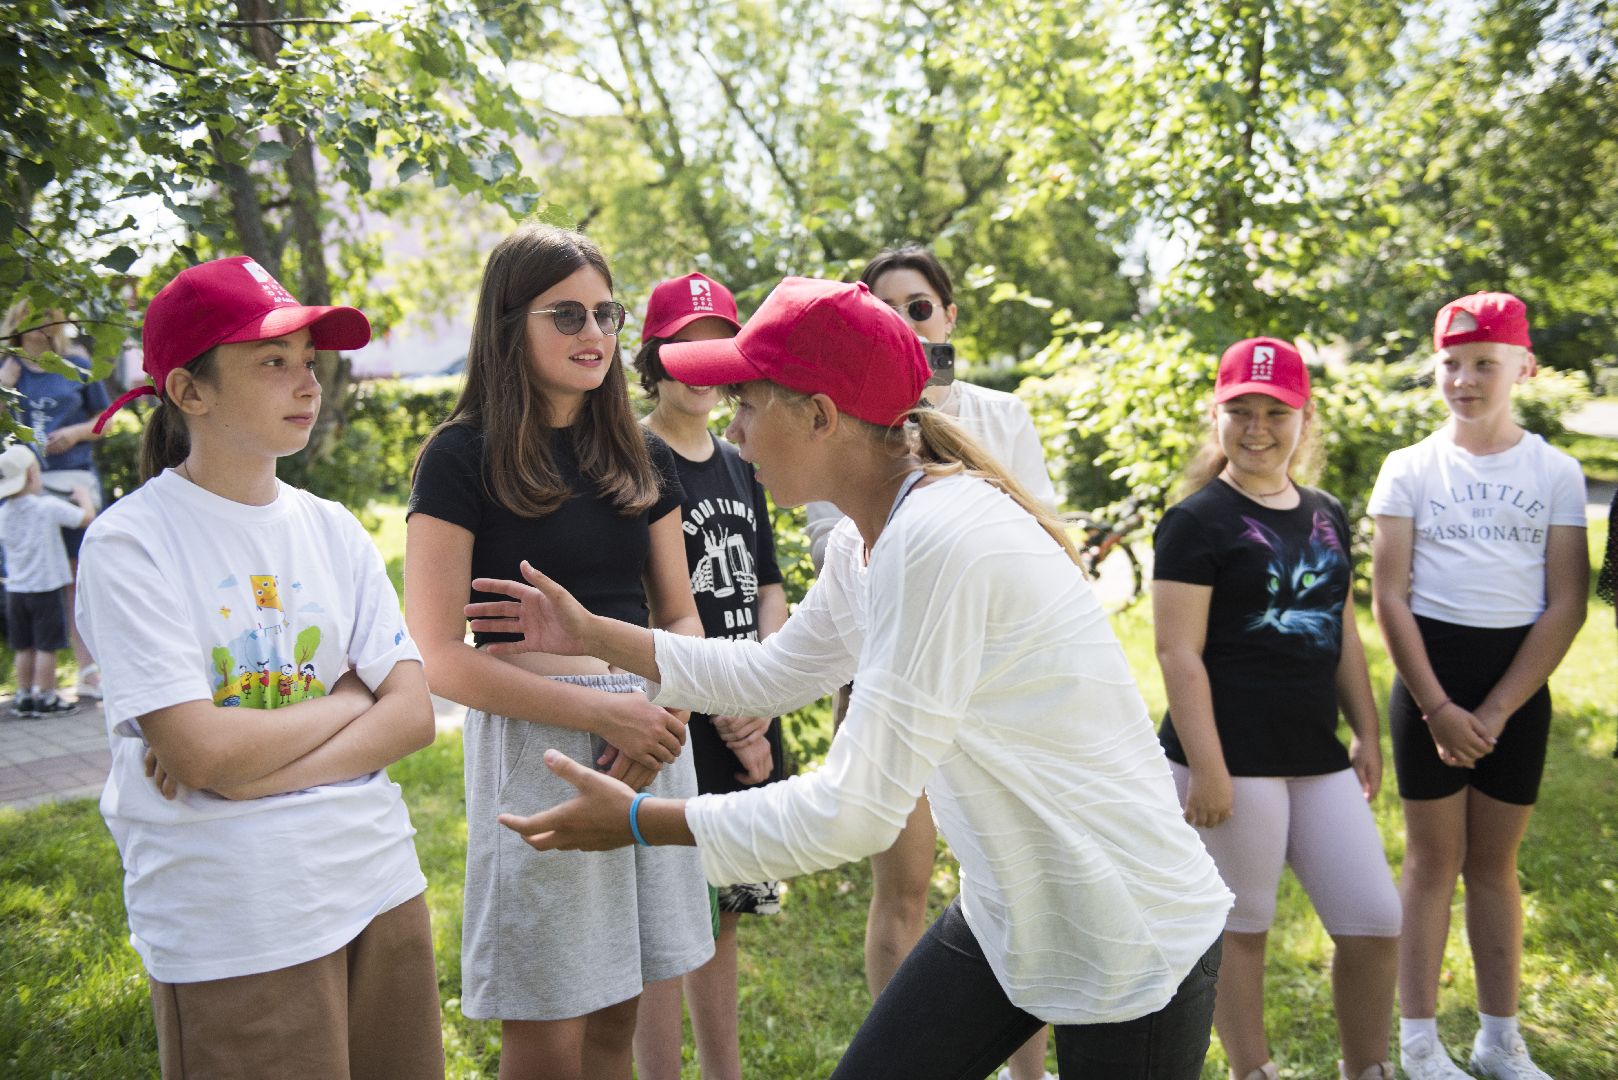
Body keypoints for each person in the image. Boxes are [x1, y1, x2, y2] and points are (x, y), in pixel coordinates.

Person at [474, 276, 1233, 1080]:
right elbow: (771, 672)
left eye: (749, 405)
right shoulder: (867, 540)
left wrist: (640, 824)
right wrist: (596, 636)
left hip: (1127, 926)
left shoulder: (939, 539)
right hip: (1016, 912)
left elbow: (854, 811)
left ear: (821, 416)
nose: (735, 434)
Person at [73, 256, 444, 1078]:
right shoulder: (132, 543)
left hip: (379, 885)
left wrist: (252, 771)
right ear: (188, 392)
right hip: (239, 917)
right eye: (272, 362)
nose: (306, 383)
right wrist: (351, 696)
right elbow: (202, 754)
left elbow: (414, 713)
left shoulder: (334, 527)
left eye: (307, 362)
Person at [405, 224, 712, 1080]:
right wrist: (604, 711)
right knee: (547, 1026)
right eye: (566, 314)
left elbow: (681, 619)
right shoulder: (460, 455)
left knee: (620, 1014)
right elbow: (436, 653)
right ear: (510, 325)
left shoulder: (640, 453)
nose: (595, 335)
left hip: (653, 743)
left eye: (606, 314)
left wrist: (663, 718)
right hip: (542, 743)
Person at [808, 242, 1063, 1080]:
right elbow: (838, 551)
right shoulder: (841, 421)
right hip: (895, 676)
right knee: (905, 890)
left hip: (996, 693)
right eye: (886, 312)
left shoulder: (1001, 417)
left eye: (920, 307)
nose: (908, 323)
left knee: (1015, 889)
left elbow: (1043, 544)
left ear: (949, 315)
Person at [1152, 338, 1400, 1080]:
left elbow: (1341, 628)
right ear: (1217, 414)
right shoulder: (1195, 522)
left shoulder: (1324, 513)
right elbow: (1177, 654)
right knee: (1244, 928)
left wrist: (1367, 729)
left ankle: (1368, 1069)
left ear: (1303, 418)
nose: (1257, 428)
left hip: (1313, 751)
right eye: (1241, 411)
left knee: (1375, 920)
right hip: (1230, 757)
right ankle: (1251, 1071)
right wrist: (1208, 767)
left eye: (1275, 412)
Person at [1369, 292, 1587, 1080]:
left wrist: (1495, 709)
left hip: (1514, 691)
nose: (1465, 379)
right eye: (1451, 364)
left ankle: (1500, 1039)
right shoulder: (1410, 468)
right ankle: (1420, 1042)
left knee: (1494, 865)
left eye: (1484, 364)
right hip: (1431, 681)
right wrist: (1437, 706)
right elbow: (1388, 593)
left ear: (1522, 366)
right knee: (1432, 862)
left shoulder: (1556, 472)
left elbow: (1566, 600)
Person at [631, 272, 790, 1080]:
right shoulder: (633, 457)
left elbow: (766, 583)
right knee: (667, 919)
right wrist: (725, 701)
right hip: (676, 716)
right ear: (652, 362)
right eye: (681, 349)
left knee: (725, 910)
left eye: (716, 349)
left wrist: (760, 694)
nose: (700, 367)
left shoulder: (741, 460)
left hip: (744, 710)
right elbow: (644, 607)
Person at [2, 302, 112, 700]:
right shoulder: (8, 371)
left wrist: (78, 433)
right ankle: (33, 681)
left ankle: (89, 668)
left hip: (71, 481)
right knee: (35, 577)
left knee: (78, 575)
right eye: (36, 318)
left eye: (51, 317)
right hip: (23, 490)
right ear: (19, 325)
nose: (46, 325)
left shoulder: (78, 365)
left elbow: (107, 420)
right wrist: (4, 381)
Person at [0, 442, 96, 716]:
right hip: (46, 587)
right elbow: (86, 518)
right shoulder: (46, 507)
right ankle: (46, 695)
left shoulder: (2, 513)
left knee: (23, 646)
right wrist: (83, 494)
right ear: (32, 476)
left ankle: (24, 695)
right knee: (46, 646)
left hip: (16, 589)